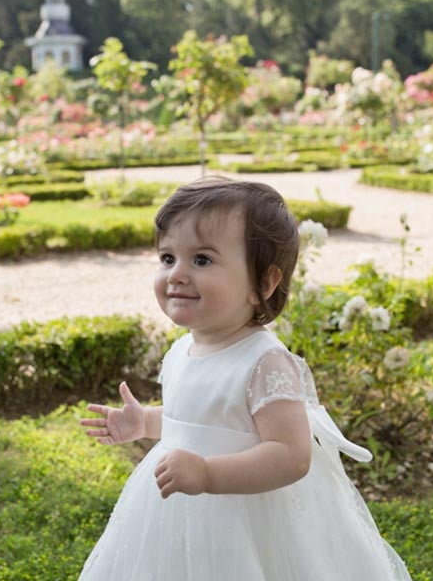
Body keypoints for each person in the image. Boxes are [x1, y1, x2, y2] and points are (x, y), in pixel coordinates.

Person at [79, 177, 412, 580]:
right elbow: (203, 421)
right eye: (167, 258)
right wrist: (147, 422)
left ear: (263, 284)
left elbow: (291, 454)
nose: (177, 274)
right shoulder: (182, 350)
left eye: (202, 260)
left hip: (247, 513)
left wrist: (207, 474)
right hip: (177, 504)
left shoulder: (264, 361)